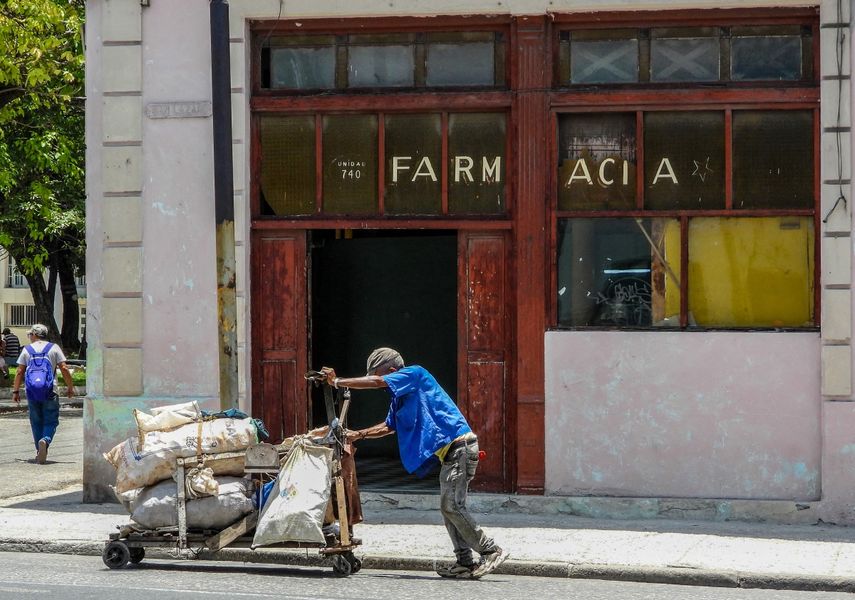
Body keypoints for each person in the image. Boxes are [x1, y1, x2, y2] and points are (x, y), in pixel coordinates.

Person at [322, 348, 509, 579]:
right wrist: (357, 435)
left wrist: (337, 381)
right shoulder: (400, 398)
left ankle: (490, 550)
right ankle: (465, 562)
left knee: (452, 507)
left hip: (460, 447)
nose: (382, 381)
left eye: (379, 374)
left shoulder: (415, 373)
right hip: (451, 455)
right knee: (449, 509)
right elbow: (388, 427)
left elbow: (378, 382)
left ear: (392, 371)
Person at [12, 324, 75, 464]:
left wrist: (16, 391)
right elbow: (64, 368)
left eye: (30, 335)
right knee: (51, 420)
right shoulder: (54, 348)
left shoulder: (27, 350)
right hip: (50, 390)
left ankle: (38, 450)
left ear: (34, 335)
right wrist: (70, 387)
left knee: (36, 421)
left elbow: (19, 371)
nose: (29, 337)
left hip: (32, 392)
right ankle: (45, 440)